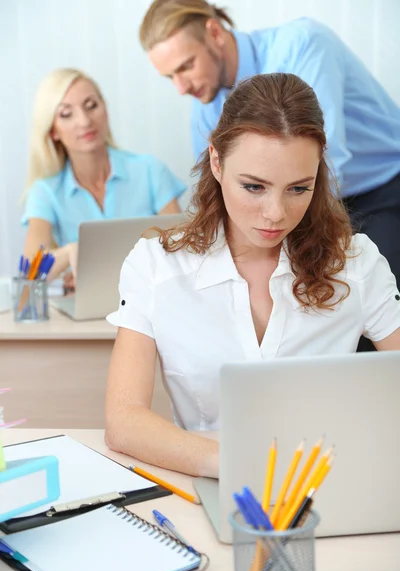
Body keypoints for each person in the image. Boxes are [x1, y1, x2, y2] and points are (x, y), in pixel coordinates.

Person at [105, 73, 400, 478]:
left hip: (330, 484)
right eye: (254, 187)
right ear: (216, 161)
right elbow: (124, 422)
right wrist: (235, 466)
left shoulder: (357, 263)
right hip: (211, 481)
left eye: (299, 188)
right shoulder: (155, 266)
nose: (276, 213)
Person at [139, 0, 400, 293]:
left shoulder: (304, 44)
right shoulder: (206, 105)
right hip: (297, 201)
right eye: (170, 76)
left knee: (364, 299)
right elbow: (216, 190)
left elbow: (327, 163)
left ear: (214, 33)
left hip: (381, 188)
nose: (181, 87)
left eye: (186, 66)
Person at [21, 68, 186, 284]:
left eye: (91, 106)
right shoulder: (45, 192)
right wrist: (71, 253)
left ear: (105, 110)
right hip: (87, 311)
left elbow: (183, 250)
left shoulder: (150, 170)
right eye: (66, 114)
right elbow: (30, 275)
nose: (84, 121)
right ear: (53, 130)